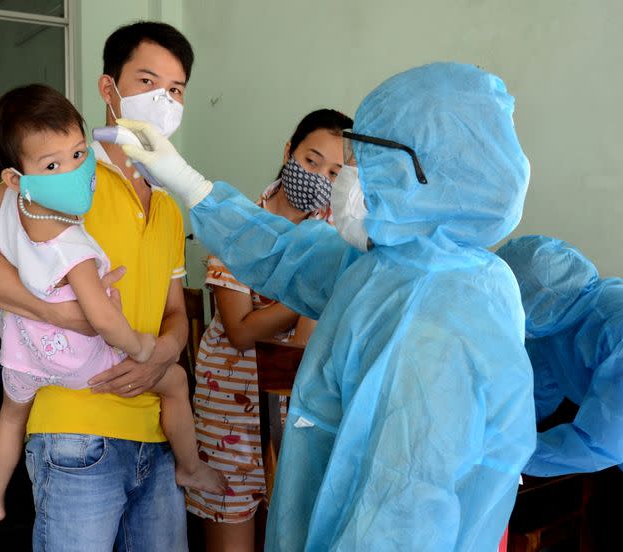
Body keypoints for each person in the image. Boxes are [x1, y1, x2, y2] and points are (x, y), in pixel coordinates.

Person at [118, 61, 536, 551]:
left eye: (360, 162)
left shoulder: (439, 316)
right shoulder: (396, 263)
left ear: (419, 172)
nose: (345, 177)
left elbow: (405, 512)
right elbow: (288, 254)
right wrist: (190, 184)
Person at [0, 22, 199, 551]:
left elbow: (176, 311)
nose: (163, 100)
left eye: (176, 90)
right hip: (76, 433)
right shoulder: (62, 180)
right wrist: (60, 315)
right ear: (108, 89)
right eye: (147, 82)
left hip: (156, 435)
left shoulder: (167, 204)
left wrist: (163, 352)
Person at [185, 109, 352, 550]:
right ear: (288, 152)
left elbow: (304, 345)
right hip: (229, 408)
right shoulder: (240, 224)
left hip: (295, 411)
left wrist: (318, 291)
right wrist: (316, 290)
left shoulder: (338, 238)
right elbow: (239, 330)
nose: (319, 177)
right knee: (231, 528)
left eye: (335, 171)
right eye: (312, 161)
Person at [496, 235, 623, 476]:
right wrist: (499, 426)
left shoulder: (613, 332)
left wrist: (510, 453)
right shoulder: (558, 324)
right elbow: (537, 393)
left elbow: (601, 443)